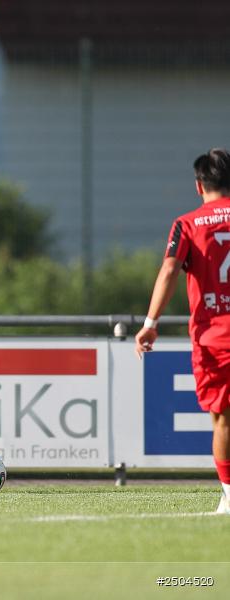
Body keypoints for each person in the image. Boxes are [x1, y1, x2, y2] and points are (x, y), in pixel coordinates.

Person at [135, 148, 230, 515]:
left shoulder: (187, 224)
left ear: (198, 186)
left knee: (223, 418)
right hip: (214, 337)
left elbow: (170, 269)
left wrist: (150, 324)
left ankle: (229, 496)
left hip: (214, 336)